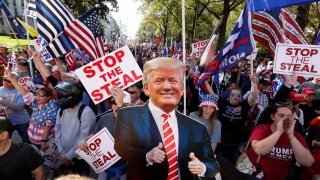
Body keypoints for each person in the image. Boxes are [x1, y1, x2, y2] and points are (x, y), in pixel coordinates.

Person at [114, 57, 219, 179]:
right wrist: (146, 156)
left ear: (182, 89)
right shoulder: (128, 115)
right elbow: (121, 147)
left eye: (173, 81)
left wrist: (202, 167)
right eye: (159, 81)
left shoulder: (198, 128)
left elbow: (213, 165)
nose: (167, 87)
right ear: (146, 88)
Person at [246, 102, 314, 180]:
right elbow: (259, 150)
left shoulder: (296, 136)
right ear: (272, 117)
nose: (285, 119)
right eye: (281, 115)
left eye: (289, 116)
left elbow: (308, 162)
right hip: (254, 175)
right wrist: (278, 132)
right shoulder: (262, 129)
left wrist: (291, 136)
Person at [6, 70, 58, 150]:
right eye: (37, 94)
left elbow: (48, 125)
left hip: (45, 142)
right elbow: (25, 93)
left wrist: (43, 141)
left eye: (41, 95)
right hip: (33, 139)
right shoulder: (36, 102)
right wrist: (12, 80)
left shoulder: (52, 106)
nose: (37, 97)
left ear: (48, 97)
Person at [54, 81, 96, 176]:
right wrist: (62, 153)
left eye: (64, 95)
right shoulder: (61, 110)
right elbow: (57, 131)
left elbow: (84, 138)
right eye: (59, 95)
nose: (60, 98)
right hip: (64, 155)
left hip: (80, 157)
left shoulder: (86, 112)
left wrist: (68, 156)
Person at [0, 72, 30, 143]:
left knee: (27, 141)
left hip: (21, 121)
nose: (6, 82)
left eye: (9, 81)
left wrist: (2, 101)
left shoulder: (20, 91)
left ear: (15, 82)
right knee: (4, 142)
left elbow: (20, 107)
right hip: (5, 121)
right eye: (4, 80)